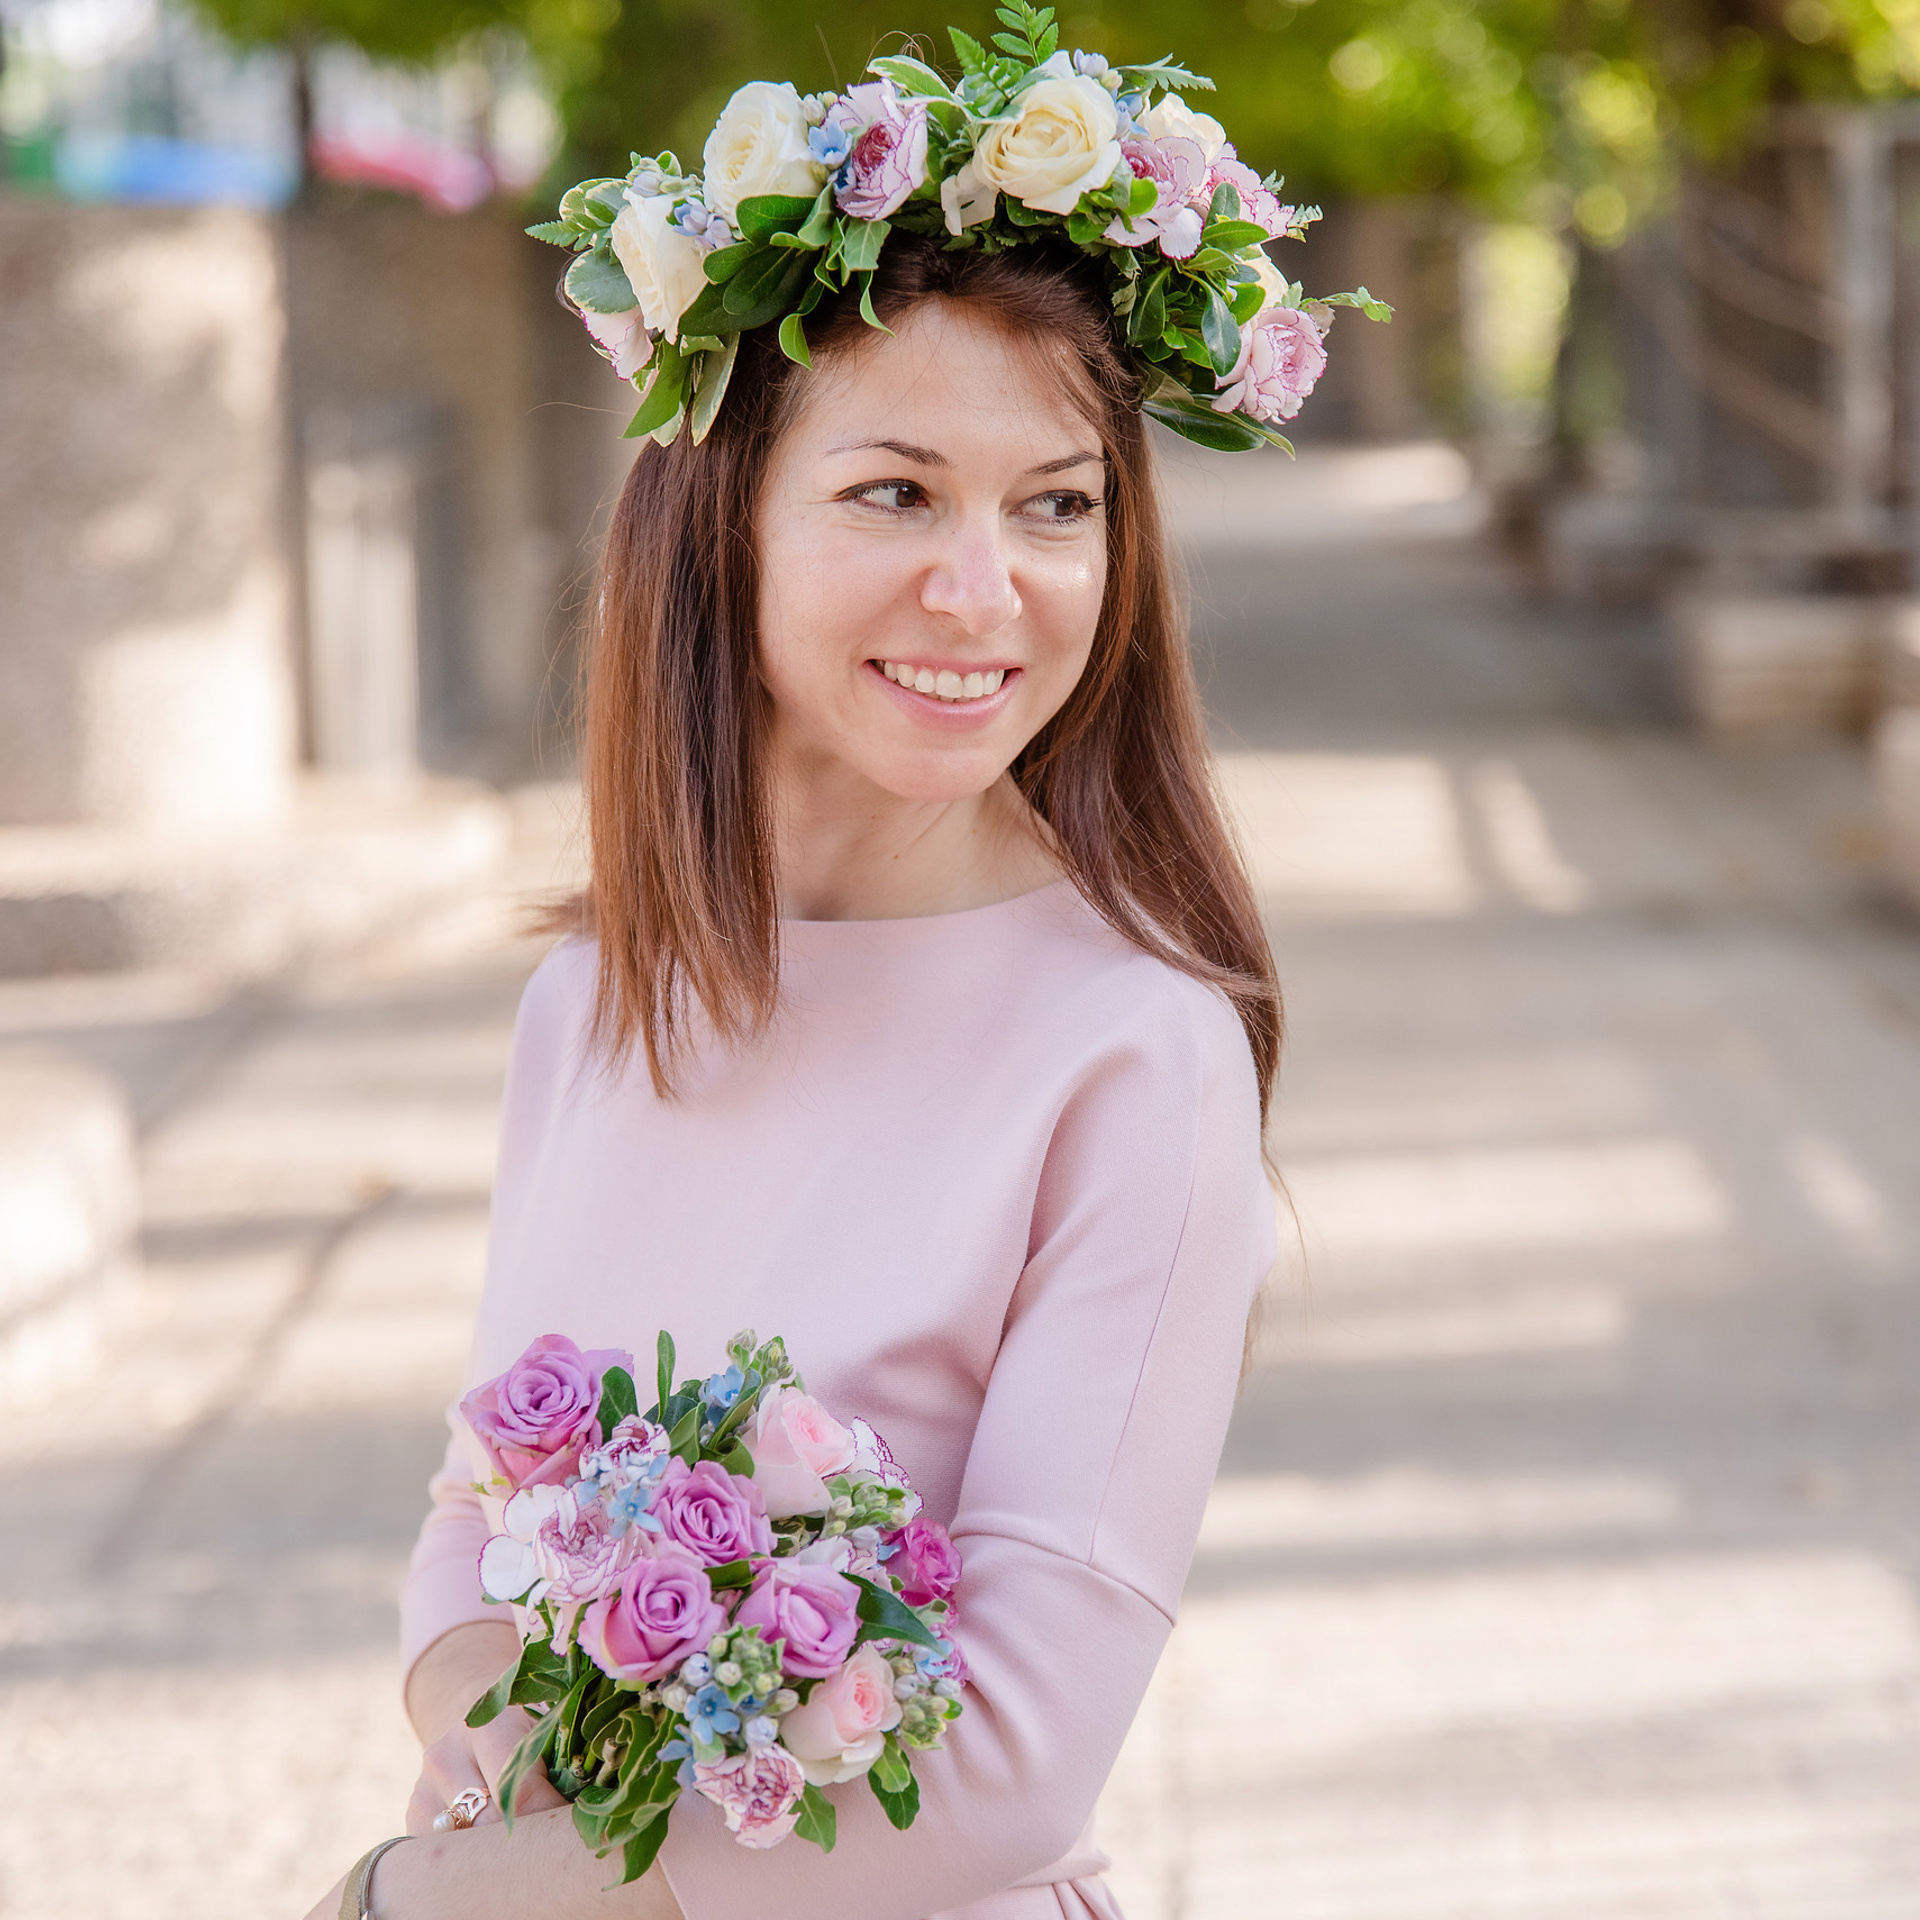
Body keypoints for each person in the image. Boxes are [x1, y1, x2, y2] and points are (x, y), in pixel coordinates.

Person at [301, 27, 1368, 1910]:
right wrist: (508, 1780)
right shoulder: (592, 1008)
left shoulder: (1133, 1052)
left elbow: (1016, 1758)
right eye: (896, 494)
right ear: (724, 521)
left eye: (1057, 503)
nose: (991, 591)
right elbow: (471, 1545)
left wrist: (440, 1899)